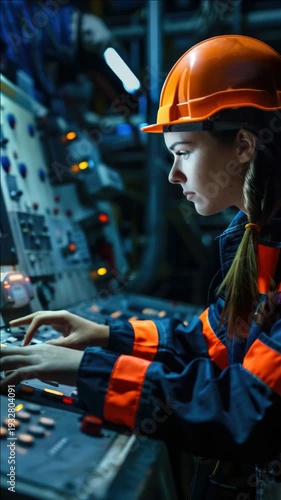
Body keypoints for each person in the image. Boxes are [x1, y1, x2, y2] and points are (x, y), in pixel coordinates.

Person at [1, 35, 281, 498]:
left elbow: (243, 412)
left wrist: (86, 371)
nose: (173, 175)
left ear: (245, 146)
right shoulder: (257, 239)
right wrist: (106, 336)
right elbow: (211, 345)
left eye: (183, 151)